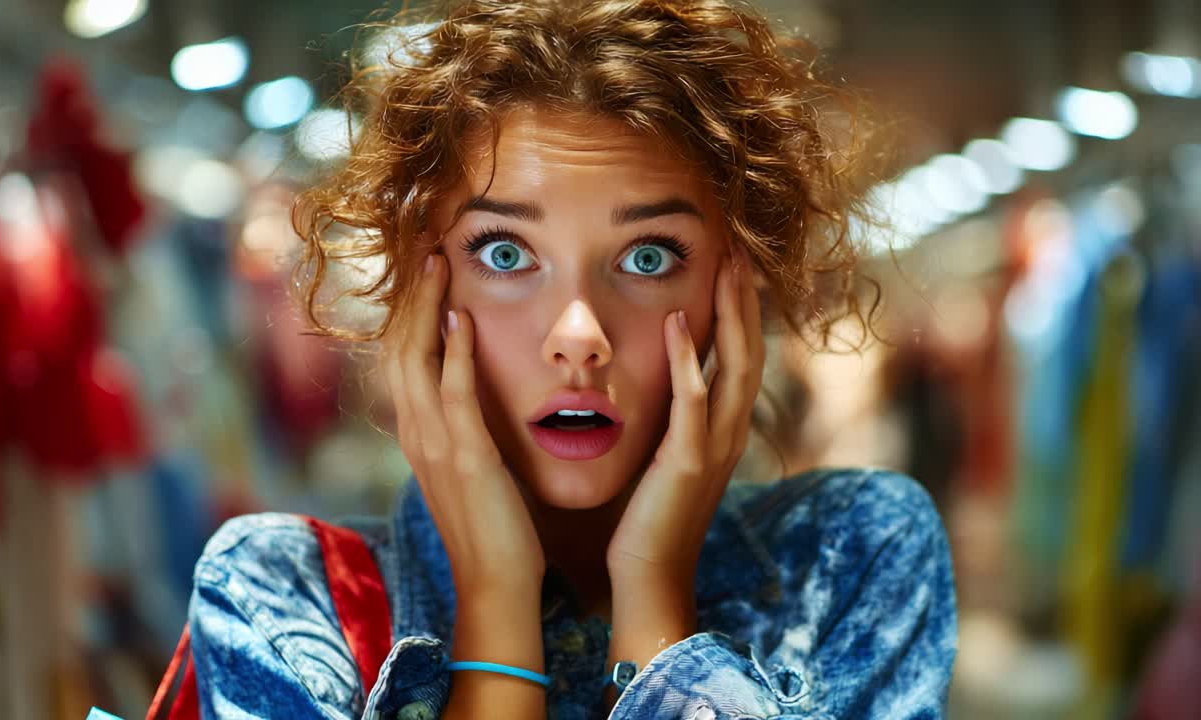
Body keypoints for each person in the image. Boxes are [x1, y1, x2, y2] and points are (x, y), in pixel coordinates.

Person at [183, 1, 957, 718]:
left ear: (737, 280)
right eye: (507, 251)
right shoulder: (281, 596)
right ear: (423, 280)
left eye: (649, 257)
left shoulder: (851, 556)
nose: (581, 334)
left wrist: (655, 598)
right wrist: (494, 599)